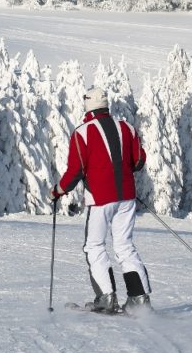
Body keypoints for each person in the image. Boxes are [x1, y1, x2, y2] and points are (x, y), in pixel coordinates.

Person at [49, 87, 152, 313]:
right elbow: (138, 162)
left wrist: (58, 190)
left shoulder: (82, 132)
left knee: (94, 245)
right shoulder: (127, 128)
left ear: (87, 105)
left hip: (100, 199)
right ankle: (139, 299)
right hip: (126, 198)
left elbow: (75, 171)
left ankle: (106, 298)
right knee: (125, 246)